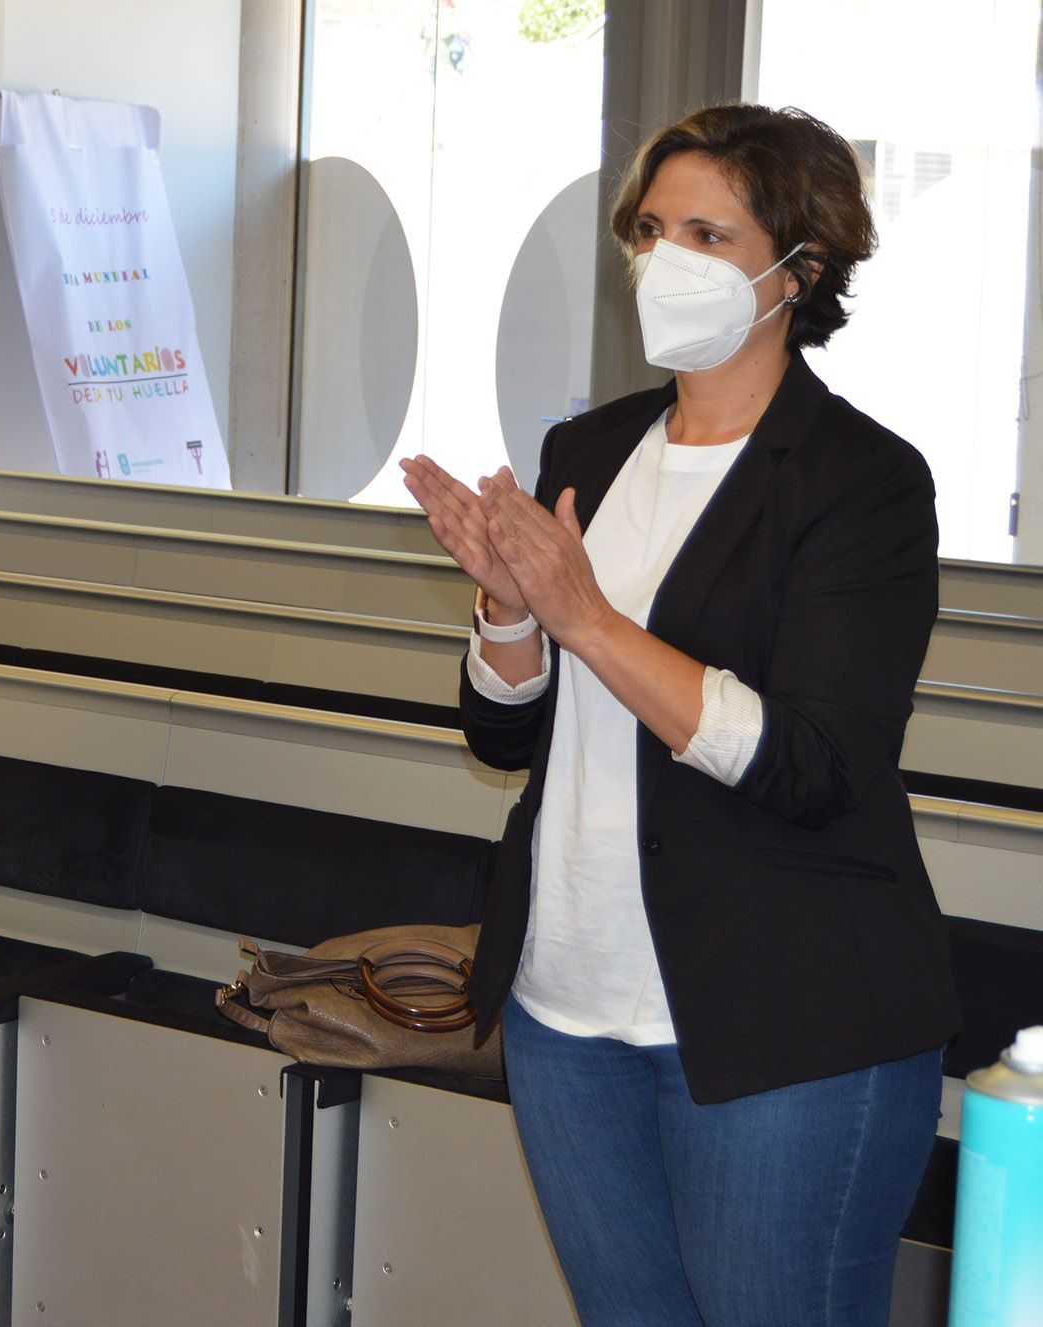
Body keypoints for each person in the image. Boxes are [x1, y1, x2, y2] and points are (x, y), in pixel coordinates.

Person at [400, 105, 957, 1326]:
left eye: (707, 233)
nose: (665, 261)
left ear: (797, 270)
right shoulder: (585, 449)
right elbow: (505, 740)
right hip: (566, 1003)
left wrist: (587, 618)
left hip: (783, 1021)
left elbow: (813, 762)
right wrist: (508, 617)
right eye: (650, 230)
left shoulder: (861, 481)